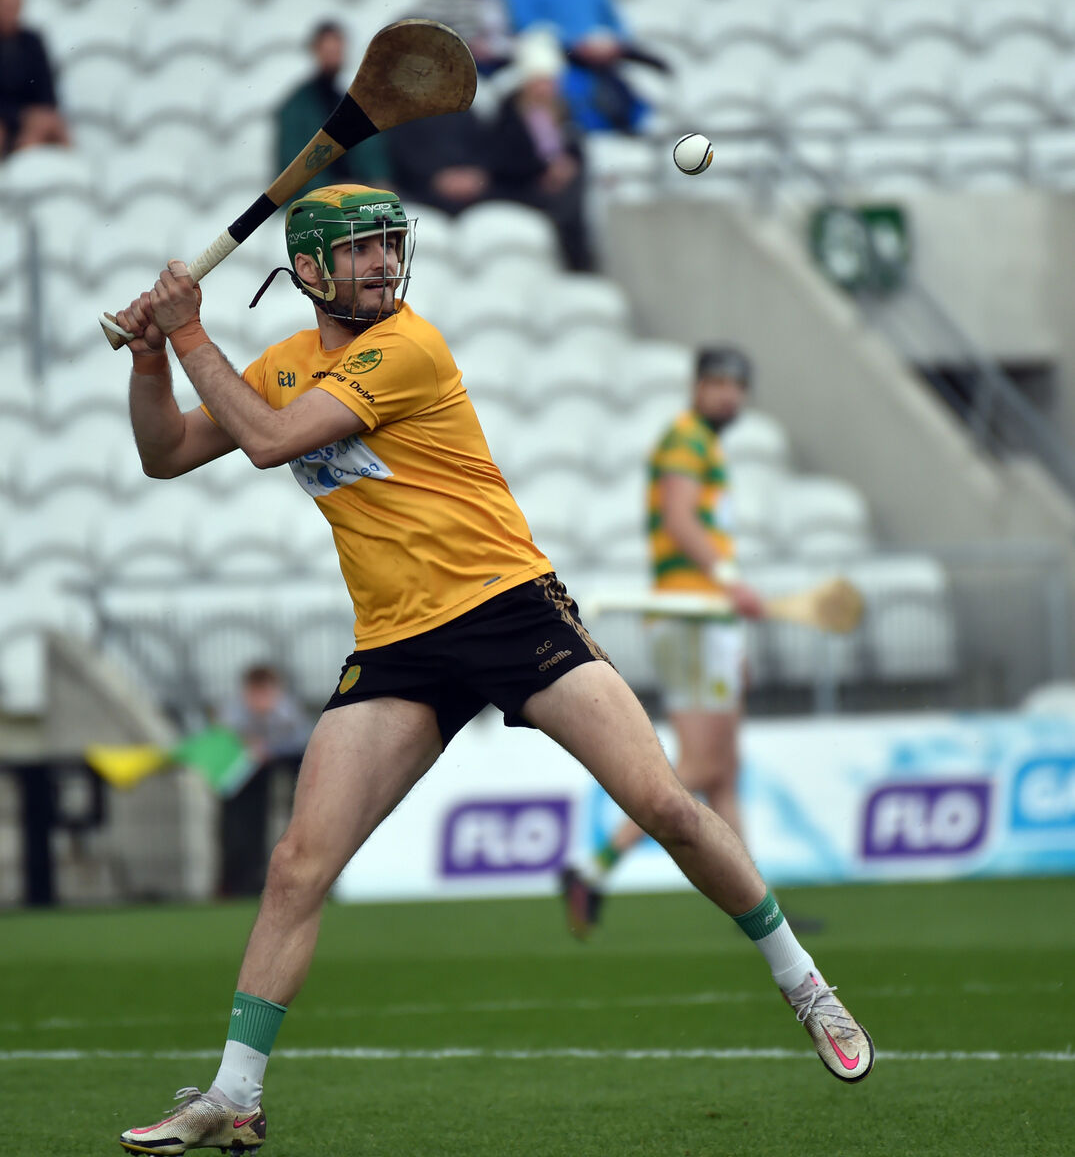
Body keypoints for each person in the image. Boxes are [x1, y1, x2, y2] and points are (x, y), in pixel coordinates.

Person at [112, 186, 874, 1154]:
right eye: (361, 251)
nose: (385, 263)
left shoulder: (409, 347)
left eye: (390, 244)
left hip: (509, 608)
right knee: (297, 866)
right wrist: (148, 360)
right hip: (397, 641)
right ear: (307, 272)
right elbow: (168, 451)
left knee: (666, 805)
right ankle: (234, 1092)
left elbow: (266, 443)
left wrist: (184, 332)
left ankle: (805, 987)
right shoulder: (284, 363)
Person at [560, 346, 776, 929]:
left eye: (738, 385)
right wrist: (731, 585)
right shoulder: (686, 440)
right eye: (718, 383)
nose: (729, 395)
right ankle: (594, 866)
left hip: (710, 620)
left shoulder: (704, 445)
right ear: (697, 387)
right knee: (704, 768)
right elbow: (680, 521)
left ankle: (759, 900)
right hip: (692, 617)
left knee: (723, 771)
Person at [504, 0, 656, 133]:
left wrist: (612, 43)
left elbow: (613, 20)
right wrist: (574, 44)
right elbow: (526, 24)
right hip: (558, 57)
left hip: (602, 55)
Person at [487, 28, 594, 271]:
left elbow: (574, 148)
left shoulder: (561, 110)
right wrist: (543, 171)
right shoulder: (510, 112)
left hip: (557, 184)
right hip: (524, 185)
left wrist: (566, 166)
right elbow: (504, 159)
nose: (544, 89)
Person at [217, 665, 313, 898]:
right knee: (241, 832)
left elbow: (304, 740)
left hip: (284, 770)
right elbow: (223, 739)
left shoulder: (287, 710)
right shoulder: (233, 711)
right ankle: (241, 884)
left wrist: (270, 747)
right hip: (244, 785)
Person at [274, 21, 393, 195]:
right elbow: (293, 162)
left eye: (337, 51)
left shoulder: (347, 101)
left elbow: (368, 151)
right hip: (316, 196)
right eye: (328, 51)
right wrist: (333, 186)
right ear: (315, 51)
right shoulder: (297, 107)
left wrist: (378, 179)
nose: (334, 57)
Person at [0, 0, 70, 156]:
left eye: (15, 2)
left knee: (50, 124)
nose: (11, 9)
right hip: (6, 119)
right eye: (6, 4)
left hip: (30, 122)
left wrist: (33, 116)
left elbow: (48, 93)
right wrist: (19, 114)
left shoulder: (33, 42)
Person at [414, 0, 513, 76]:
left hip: (501, 57)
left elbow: (508, 23)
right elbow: (434, 24)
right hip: (459, 58)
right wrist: (469, 43)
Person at [383, 107, 491, 216]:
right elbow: (401, 157)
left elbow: (486, 150)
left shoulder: (465, 112)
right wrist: (436, 178)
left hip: (477, 199)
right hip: (419, 198)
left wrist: (476, 176)